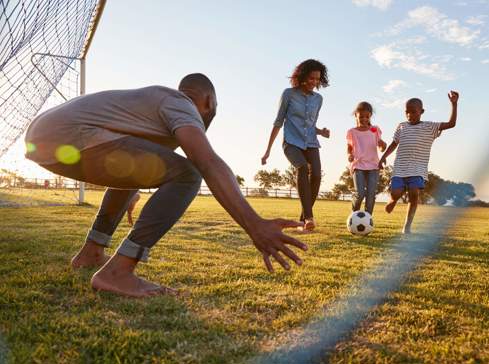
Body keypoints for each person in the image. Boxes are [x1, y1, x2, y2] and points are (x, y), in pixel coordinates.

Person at [25, 73, 308, 298]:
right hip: (70, 134)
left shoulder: (155, 107)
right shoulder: (180, 103)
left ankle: (91, 253)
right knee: (189, 174)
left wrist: (131, 186)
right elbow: (207, 161)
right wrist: (254, 225)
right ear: (208, 102)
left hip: (44, 137)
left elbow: (128, 160)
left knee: (155, 169)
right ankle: (117, 273)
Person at [261, 59, 330, 232]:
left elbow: (309, 125)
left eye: (317, 79)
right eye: (311, 78)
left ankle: (303, 220)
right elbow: (278, 122)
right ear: (302, 76)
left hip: (311, 143)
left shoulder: (318, 99)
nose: (314, 83)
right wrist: (268, 150)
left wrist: (321, 131)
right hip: (291, 142)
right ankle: (309, 217)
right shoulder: (288, 94)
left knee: (316, 175)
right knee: (301, 168)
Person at [379, 91, 459, 234]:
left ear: (421, 111)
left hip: (418, 168)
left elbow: (451, 124)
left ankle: (407, 226)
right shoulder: (402, 126)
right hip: (400, 168)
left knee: (414, 194)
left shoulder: (430, 127)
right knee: (396, 193)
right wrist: (384, 156)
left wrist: (454, 104)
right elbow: (394, 143)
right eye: (407, 112)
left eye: (413, 112)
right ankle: (392, 201)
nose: (409, 115)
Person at [347, 102, 387, 215]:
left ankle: (368, 218)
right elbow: (349, 147)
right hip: (358, 165)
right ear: (356, 115)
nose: (364, 119)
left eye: (367, 117)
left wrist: (383, 145)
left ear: (370, 116)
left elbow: (381, 147)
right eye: (361, 117)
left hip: (373, 166)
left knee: (370, 194)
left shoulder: (374, 130)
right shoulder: (352, 132)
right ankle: (353, 215)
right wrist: (349, 155)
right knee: (360, 193)